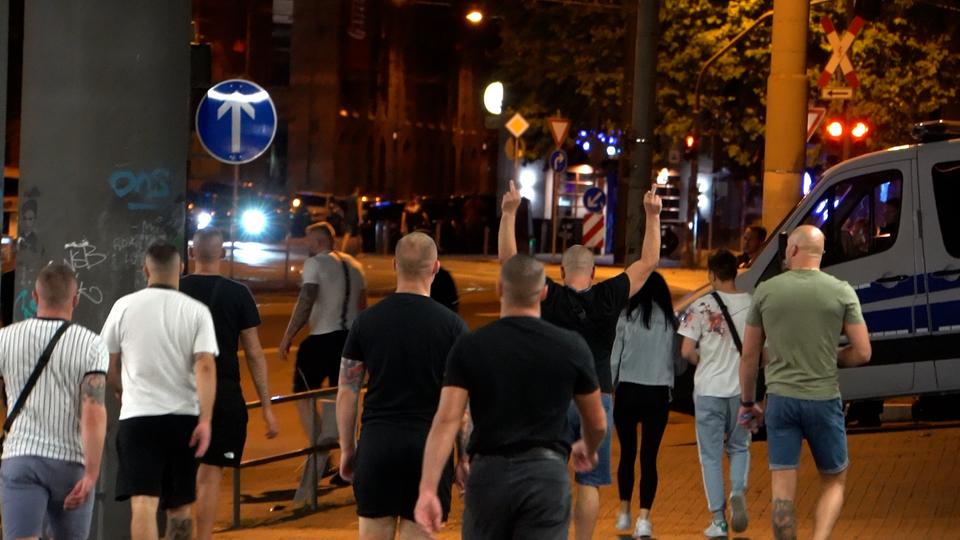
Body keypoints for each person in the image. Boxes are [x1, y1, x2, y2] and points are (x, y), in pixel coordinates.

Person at [498, 180, 662, 540]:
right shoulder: (609, 294)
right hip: (597, 399)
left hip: (550, 398)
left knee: (551, 474)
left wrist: (509, 214)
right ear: (593, 273)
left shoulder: (547, 294)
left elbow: (510, 264)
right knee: (589, 480)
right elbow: (648, 262)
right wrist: (653, 216)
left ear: (559, 272)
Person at [415, 254, 607, 539]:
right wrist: (588, 447)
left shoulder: (470, 346)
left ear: (499, 288)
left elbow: (447, 421)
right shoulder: (571, 347)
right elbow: (597, 421)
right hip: (546, 475)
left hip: (488, 476)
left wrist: (428, 489)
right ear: (543, 292)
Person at [739, 226, 872, 540]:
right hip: (823, 400)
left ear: (794, 250)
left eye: (787, 248)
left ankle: (785, 524)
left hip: (781, 402)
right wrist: (832, 357)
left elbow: (749, 356)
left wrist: (748, 403)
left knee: (783, 490)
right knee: (834, 480)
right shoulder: (841, 291)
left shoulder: (766, 291)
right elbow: (864, 352)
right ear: (820, 253)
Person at [336, 232, 468, 539]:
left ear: (395, 264)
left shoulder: (365, 322)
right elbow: (464, 405)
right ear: (435, 267)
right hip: (430, 450)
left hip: (377, 445)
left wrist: (347, 449)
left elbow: (347, 391)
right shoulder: (453, 327)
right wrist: (465, 457)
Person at [102, 241, 218, 540]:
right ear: (181, 268)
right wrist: (205, 420)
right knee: (180, 506)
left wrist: (121, 389)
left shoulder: (124, 306)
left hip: (138, 419)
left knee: (143, 503)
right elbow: (205, 365)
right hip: (183, 419)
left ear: (145, 271)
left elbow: (107, 363)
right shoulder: (197, 311)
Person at [181, 228, 280, 539]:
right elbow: (253, 353)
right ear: (222, 254)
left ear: (192, 253)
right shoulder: (239, 294)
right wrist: (266, 407)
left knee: (180, 475)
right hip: (222, 392)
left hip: (178, 390)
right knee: (210, 476)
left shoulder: (174, 290)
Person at [0, 264, 108, 540]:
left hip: (20, 457)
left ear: (34, 297)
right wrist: (92, 474)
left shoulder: (4, 339)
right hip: (71, 463)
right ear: (75, 300)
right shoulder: (92, 344)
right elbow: (93, 412)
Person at [679, 250, 753, 537]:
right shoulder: (752, 305)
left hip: (708, 391)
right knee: (739, 447)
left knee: (710, 456)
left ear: (711, 274)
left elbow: (686, 351)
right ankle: (737, 489)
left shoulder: (699, 306)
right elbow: (762, 352)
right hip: (741, 391)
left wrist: (705, 361)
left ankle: (719, 521)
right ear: (736, 273)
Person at [279, 222, 366, 449]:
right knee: (342, 397)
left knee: (301, 393)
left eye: (309, 241)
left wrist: (288, 335)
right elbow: (362, 307)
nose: (307, 245)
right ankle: (347, 457)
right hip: (351, 342)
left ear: (319, 242)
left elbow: (306, 300)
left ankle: (319, 449)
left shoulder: (314, 263)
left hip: (321, 339)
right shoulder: (356, 265)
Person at [609, 271, 679, 538]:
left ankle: (624, 510)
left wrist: (612, 386)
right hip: (657, 394)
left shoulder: (626, 318)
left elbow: (615, 358)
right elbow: (677, 362)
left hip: (627, 391)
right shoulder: (671, 324)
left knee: (627, 453)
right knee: (649, 457)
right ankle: (644, 520)